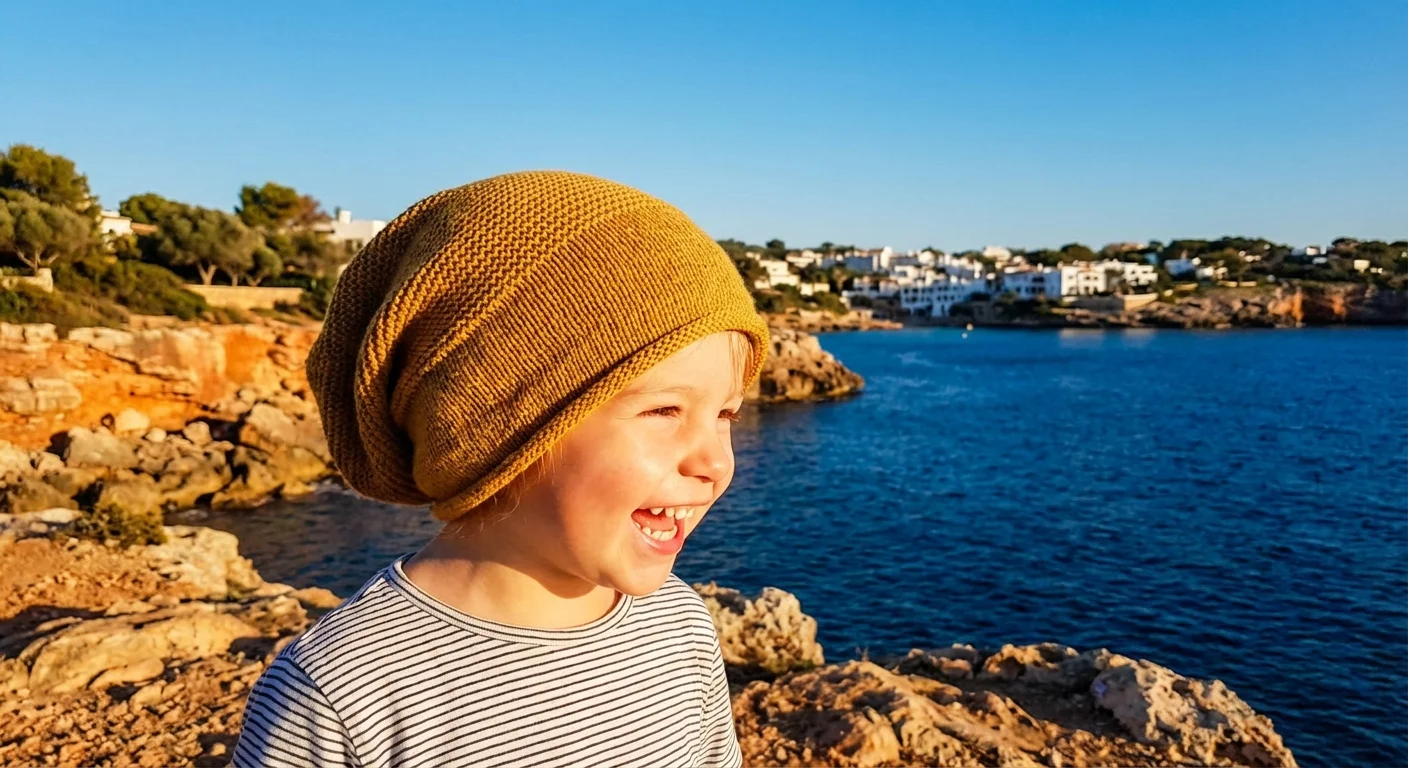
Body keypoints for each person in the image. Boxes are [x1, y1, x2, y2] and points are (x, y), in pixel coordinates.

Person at [231, 170, 769, 767]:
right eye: (664, 410)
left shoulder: (677, 627)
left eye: (725, 413)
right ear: (499, 425)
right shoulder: (346, 690)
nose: (716, 462)